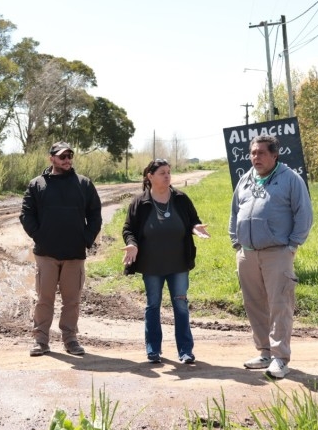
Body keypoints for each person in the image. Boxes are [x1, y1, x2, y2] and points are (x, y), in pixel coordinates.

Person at [228, 135, 313, 379]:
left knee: (280, 305)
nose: (256, 157)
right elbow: (235, 213)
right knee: (254, 304)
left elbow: (304, 213)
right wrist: (237, 243)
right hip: (247, 254)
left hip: (278, 253)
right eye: (253, 153)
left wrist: (293, 245)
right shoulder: (245, 180)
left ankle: (280, 358)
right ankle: (264, 352)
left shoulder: (290, 179)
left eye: (261, 153)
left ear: (275, 155)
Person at [122, 159, 210, 364]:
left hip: (178, 264)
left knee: (180, 305)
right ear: (150, 176)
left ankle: (185, 351)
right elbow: (128, 230)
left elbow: (193, 220)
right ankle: (153, 350)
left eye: (169, 172)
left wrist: (195, 228)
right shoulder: (140, 202)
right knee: (153, 305)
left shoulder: (180, 198)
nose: (167, 176)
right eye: (162, 173)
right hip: (152, 266)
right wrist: (132, 244)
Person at [20, 141, 102, 357]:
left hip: (74, 254)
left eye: (69, 156)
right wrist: (40, 236)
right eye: (62, 156)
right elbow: (26, 214)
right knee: (44, 299)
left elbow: (95, 215)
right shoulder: (37, 184)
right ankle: (41, 341)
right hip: (46, 254)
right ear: (52, 159)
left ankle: (70, 339)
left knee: (72, 301)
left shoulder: (83, 184)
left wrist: (85, 239)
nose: (67, 160)